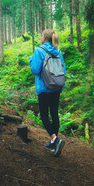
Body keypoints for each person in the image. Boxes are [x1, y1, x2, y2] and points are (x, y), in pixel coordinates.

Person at [29, 29, 66, 157]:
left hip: (44, 88)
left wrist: (31, 60)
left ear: (44, 37)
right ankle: (54, 143)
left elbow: (35, 70)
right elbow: (63, 69)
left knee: (44, 115)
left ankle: (55, 140)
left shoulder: (39, 51)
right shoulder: (58, 51)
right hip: (57, 87)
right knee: (54, 114)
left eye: (41, 35)